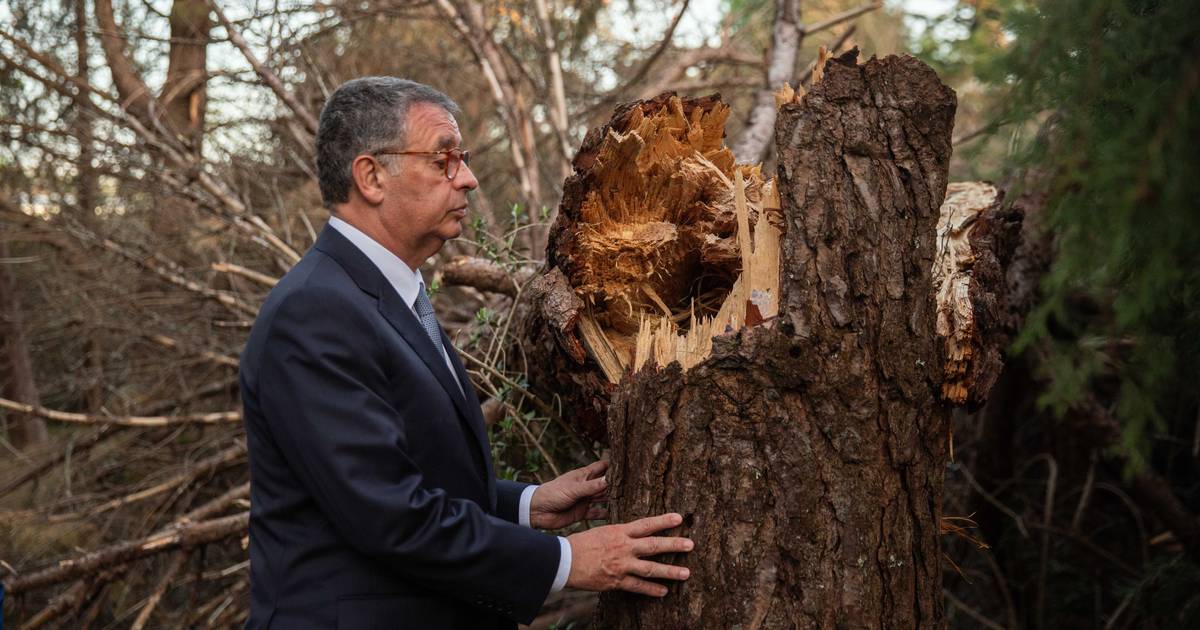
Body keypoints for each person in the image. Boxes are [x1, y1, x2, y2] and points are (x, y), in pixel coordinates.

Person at [239, 77, 693, 629]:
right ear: (371, 176)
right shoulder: (313, 312)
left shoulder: (388, 292)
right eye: (444, 159)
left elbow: (406, 476)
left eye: (464, 158)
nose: (469, 179)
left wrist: (526, 505)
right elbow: (390, 517)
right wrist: (569, 560)